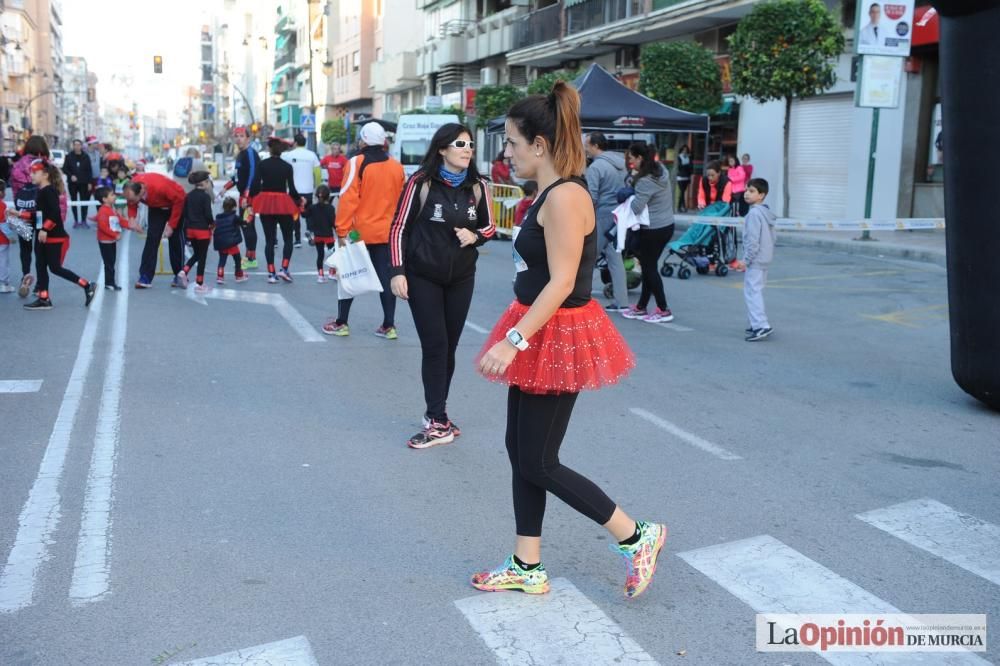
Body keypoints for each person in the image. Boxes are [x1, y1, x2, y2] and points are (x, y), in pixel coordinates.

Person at [472, 82, 665, 600]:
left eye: (511, 142)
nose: (505, 153)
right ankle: (526, 564)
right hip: (541, 329)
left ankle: (635, 534)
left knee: (538, 460)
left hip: (552, 333)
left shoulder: (566, 197)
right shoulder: (552, 194)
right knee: (522, 451)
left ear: (539, 144)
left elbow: (561, 282)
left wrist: (512, 340)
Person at [388, 123, 495, 449]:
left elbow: (491, 226)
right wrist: (397, 271)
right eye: (460, 143)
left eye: (471, 145)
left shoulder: (478, 186)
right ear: (442, 149)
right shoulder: (420, 183)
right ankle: (437, 419)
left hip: (461, 278)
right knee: (435, 346)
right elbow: (399, 228)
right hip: (423, 277)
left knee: (448, 347)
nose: (467, 150)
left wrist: (475, 236)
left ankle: (438, 413)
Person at [322, 122, 405, 338]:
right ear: (383, 142)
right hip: (387, 232)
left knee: (348, 275)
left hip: (358, 233)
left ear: (363, 141)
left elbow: (348, 198)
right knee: (387, 278)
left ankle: (342, 323)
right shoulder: (396, 167)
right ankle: (389, 326)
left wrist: (341, 231)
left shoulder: (356, 163)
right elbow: (401, 200)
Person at [22, 159, 96, 310]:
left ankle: (87, 285)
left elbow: (55, 213)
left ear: (45, 174)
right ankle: (44, 298)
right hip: (42, 237)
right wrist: (20, 214)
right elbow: (40, 215)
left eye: (34, 172)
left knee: (55, 268)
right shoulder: (41, 191)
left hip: (53, 237)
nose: (31, 175)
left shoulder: (49, 191)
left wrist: (45, 229)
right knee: (40, 266)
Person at [620, 141, 676, 323]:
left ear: (640, 158)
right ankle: (641, 306)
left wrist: (629, 191)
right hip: (666, 225)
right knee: (648, 267)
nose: (630, 163)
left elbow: (636, 208)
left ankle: (663, 308)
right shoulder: (660, 171)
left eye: (632, 159)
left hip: (653, 229)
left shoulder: (645, 181)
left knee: (649, 268)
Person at [11, 136, 68, 298]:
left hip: (24, 211)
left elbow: (15, 191)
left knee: (25, 248)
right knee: (40, 249)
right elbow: (61, 195)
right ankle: (40, 285)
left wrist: (19, 208)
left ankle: (25, 275)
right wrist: (60, 219)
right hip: (42, 215)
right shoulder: (48, 167)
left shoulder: (18, 166)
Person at [584, 132, 630, 313]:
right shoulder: (621, 164)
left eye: (587, 145)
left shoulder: (596, 167)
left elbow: (591, 196)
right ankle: (622, 300)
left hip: (601, 216)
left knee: (587, 257)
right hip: (619, 215)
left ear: (595, 145)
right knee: (614, 258)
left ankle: (580, 297)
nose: (586, 149)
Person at [124, 171, 187, 288]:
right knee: (152, 239)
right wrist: (132, 218)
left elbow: (180, 199)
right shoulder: (132, 187)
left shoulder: (160, 187)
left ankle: (179, 274)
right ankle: (145, 276)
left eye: (133, 199)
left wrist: (171, 225)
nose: (131, 202)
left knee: (175, 239)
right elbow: (131, 203)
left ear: (141, 191)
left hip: (176, 204)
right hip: (156, 208)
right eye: (129, 199)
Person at [253, 137, 300, 284]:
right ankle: (284, 269)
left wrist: (252, 200)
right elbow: (292, 189)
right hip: (283, 203)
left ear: (269, 149)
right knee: (288, 238)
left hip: (265, 202)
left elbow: (255, 186)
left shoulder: (262, 165)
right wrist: (299, 201)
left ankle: (271, 273)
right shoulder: (287, 167)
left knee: (269, 240)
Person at [742, 178, 776, 342]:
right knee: (757, 291)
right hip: (765, 258)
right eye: (747, 190)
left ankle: (761, 325)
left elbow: (752, 241)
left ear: (762, 195)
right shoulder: (765, 212)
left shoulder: (754, 214)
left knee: (752, 292)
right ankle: (756, 323)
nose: (747, 193)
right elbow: (773, 237)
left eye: (752, 191)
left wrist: (745, 260)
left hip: (755, 260)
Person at [176, 171, 216, 293]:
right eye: (208, 182)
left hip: (190, 230)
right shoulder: (205, 196)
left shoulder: (188, 196)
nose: (209, 184)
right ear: (204, 182)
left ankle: (184, 271)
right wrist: (213, 224)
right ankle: (200, 283)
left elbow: (185, 213)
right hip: (202, 230)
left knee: (197, 254)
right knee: (202, 257)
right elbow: (208, 215)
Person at [228, 127, 262, 269]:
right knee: (246, 225)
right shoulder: (240, 154)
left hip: (250, 197)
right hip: (243, 195)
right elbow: (237, 177)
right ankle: (250, 256)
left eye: (241, 136)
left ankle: (251, 258)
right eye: (236, 136)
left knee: (248, 225)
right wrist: (225, 187)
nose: (238, 139)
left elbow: (253, 175)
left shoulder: (250, 153)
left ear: (248, 138)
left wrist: (246, 196)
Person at [282, 133, 322, 247]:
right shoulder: (312, 155)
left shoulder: (289, 156)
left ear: (295, 143)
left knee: (295, 215)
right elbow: (317, 173)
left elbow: (285, 173)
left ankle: (297, 239)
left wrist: (285, 187)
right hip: (308, 190)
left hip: (294, 191)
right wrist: (317, 187)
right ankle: (310, 231)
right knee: (309, 213)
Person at [94, 186, 130, 290]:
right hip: (106, 241)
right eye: (112, 195)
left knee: (111, 262)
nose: (115, 196)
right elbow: (103, 226)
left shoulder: (111, 209)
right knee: (109, 263)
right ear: (104, 199)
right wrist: (115, 235)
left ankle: (110, 282)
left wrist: (131, 225)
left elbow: (120, 220)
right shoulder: (104, 210)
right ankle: (109, 283)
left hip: (110, 241)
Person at [305, 184, 336, 283]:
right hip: (328, 236)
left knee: (320, 255)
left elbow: (306, 215)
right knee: (333, 254)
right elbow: (333, 223)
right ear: (328, 196)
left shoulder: (312, 208)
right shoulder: (331, 208)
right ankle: (332, 272)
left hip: (318, 236)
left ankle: (321, 275)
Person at [214, 197, 248, 284]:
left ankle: (220, 276)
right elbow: (243, 222)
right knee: (237, 259)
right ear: (234, 207)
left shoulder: (218, 217)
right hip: (231, 242)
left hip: (221, 242)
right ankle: (238, 274)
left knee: (222, 259)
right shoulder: (234, 217)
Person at [62, 139, 93, 228]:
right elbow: (64, 168)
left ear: (81, 146)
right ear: (73, 146)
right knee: (74, 202)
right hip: (73, 183)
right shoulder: (69, 156)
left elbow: (89, 170)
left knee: (84, 202)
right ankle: (76, 221)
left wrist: (89, 182)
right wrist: (71, 175)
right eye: (75, 145)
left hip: (84, 182)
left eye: (78, 145)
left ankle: (83, 220)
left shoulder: (86, 156)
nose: (77, 146)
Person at [0, 179, 11, 294]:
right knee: (3, 261)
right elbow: (3, 224)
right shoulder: (2, 205)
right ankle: (4, 284)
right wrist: (11, 236)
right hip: (2, 239)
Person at [675, 144, 693, 213]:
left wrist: (685, 166)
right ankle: (683, 207)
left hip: (686, 177)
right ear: (681, 150)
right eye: (683, 150)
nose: (685, 151)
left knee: (682, 192)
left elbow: (691, 167)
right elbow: (680, 167)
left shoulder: (689, 157)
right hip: (680, 177)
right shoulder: (679, 157)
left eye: (686, 150)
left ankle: (680, 207)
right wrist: (686, 166)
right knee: (682, 192)